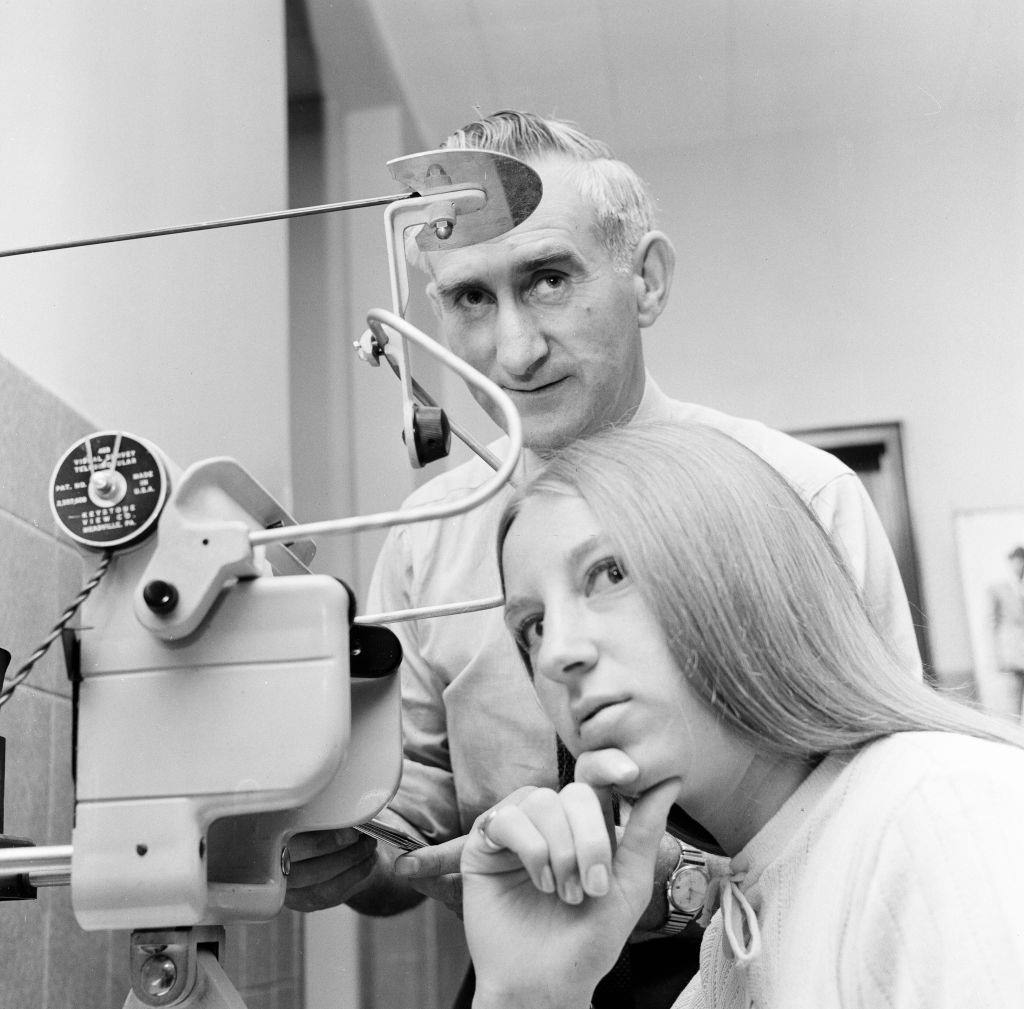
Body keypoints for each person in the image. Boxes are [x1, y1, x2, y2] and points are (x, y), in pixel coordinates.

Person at [284, 110, 923, 1005]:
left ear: (646, 280)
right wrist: (350, 853)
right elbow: (414, 813)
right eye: (472, 297)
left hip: (778, 966)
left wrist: (688, 885)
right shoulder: (429, 538)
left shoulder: (797, 498)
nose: (514, 349)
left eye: (548, 278)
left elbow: (890, 804)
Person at [460, 420, 1024, 1009]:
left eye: (610, 574)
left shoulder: (938, 812)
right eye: (534, 625)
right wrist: (528, 995)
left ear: (742, 572)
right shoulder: (732, 943)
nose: (556, 653)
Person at [987, 545, 1024, 719]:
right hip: (1012, 658)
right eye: (1016, 563)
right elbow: (992, 624)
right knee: (1012, 707)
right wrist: (998, 657)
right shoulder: (998, 589)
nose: (1019, 567)